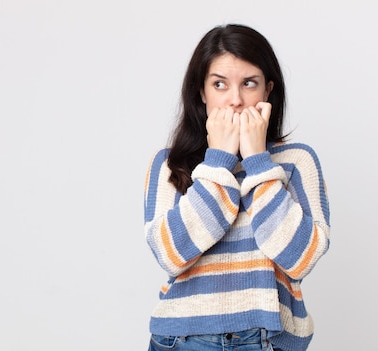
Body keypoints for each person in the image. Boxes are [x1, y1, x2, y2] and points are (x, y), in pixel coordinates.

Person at [143, 23, 331, 351]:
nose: (236, 100)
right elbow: (172, 254)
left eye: (249, 83)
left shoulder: (296, 161)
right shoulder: (169, 163)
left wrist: (258, 160)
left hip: (266, 339)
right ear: (202, 92)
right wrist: (219, 161)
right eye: (220, 84)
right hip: (181, 340)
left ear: (268, 90)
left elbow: (300, 258)